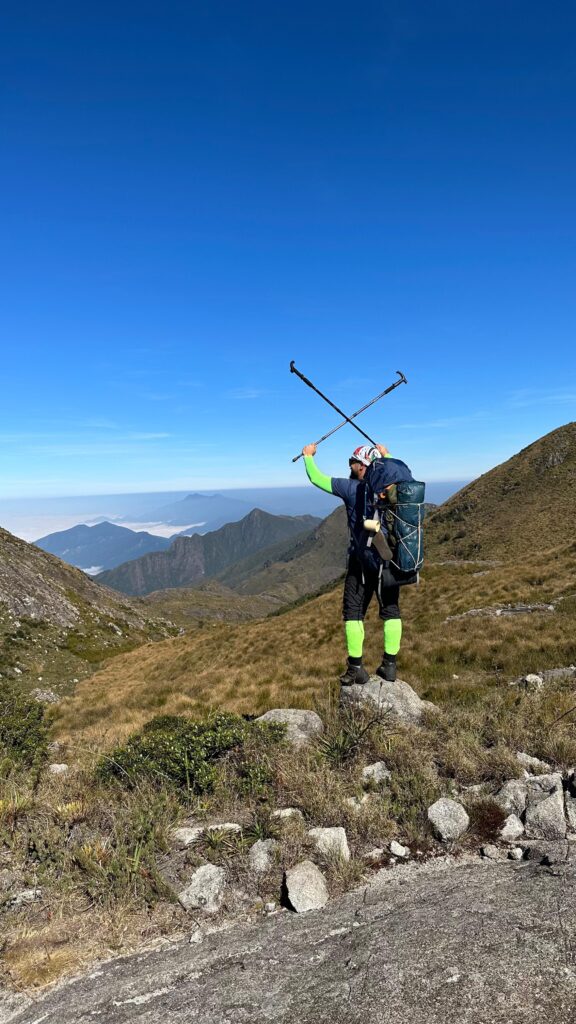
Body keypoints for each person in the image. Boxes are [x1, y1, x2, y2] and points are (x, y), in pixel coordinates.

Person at [302, 441, 414, 685]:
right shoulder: (394, 488)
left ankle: (356, 668)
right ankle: (390, 665)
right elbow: (399, 470)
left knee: (353, 612)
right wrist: (387, 454)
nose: (350, 466)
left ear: (361, 466)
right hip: (390, 559)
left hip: (361, 561)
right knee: (391, 610)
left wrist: (308, 456)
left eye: (352, 462)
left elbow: (317, 479)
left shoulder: (351, 488)